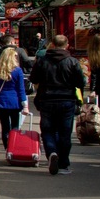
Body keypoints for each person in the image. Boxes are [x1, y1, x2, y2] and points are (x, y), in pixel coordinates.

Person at [29, 33, 87, 175]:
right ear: (66, 45)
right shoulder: (72, 62)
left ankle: (52, 153)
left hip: (46, 100)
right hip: (67, 100)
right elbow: (81, 82)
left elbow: (33, 78)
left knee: (47, 130)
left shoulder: (42, 61)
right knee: (65, 133)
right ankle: (63, 164)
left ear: (53, 45)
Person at [0, 46, 29, 148]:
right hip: (15, 102)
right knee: (15, 126)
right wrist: (25, 105)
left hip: (1, 102)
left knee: (5, 127)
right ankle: (14, 147)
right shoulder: (18, 71)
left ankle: (7, 148)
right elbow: (21, 90)